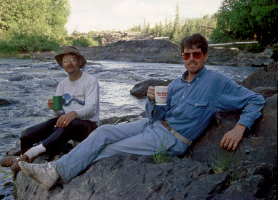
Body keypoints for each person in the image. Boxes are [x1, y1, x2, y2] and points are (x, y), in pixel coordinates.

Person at [18, 34, 265, 191]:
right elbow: (155, 116)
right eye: (186, 55)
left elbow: (255, 99)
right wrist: (152, 102)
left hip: (172, 139)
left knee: (107, 150)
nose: (191, 59)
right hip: (153, 126)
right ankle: (56, 168)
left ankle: (56, 173)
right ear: (182, 57)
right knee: (104, 131)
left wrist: (240, 127)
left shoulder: (216, 82)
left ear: (205, 56)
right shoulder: (176, 84)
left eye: (196, 54)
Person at [0, 46, 100, 171]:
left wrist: (73, 114)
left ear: (80, 62)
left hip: (87, 126)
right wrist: (54, 108)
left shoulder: (90, 81)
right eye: (65, 61)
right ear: (62, 65)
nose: (69, 63)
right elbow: (58, 115)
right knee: (27, 134)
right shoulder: (62, 84)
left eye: (73, 60)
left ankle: (29, 155)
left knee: (70, 124)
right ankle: (22, 159)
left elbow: (91, 109)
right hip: (67, 122)